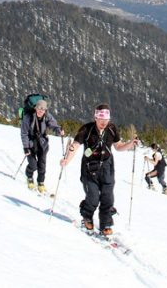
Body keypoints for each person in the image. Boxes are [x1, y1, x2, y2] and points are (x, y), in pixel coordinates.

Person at [60, 104, 139, 236]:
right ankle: (87, 217)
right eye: (101, 119)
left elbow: (118, 147)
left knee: (108, 197)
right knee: (93, 197)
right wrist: (66, 160)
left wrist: (131, 144)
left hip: (107, 167)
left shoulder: (112, 129)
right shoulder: (87, 129)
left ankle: (106, 223)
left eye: (106, 120)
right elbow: (75, 145)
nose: (103, 123)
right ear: (95, 117)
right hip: (89, 168)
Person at [20, 99, 64, 193]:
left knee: (42, 165)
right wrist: (26, 147)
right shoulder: (28, 117)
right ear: (36, 108)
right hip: (31, 144)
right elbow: (24, 133)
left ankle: (41, 182)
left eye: (43, 109)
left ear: (45, 110)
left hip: (42, 144)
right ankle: (29, 175)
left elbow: (54, 126)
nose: (41, 111)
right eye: (39, 108)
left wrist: (59, 131)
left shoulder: (47, 116)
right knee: (33, 165)